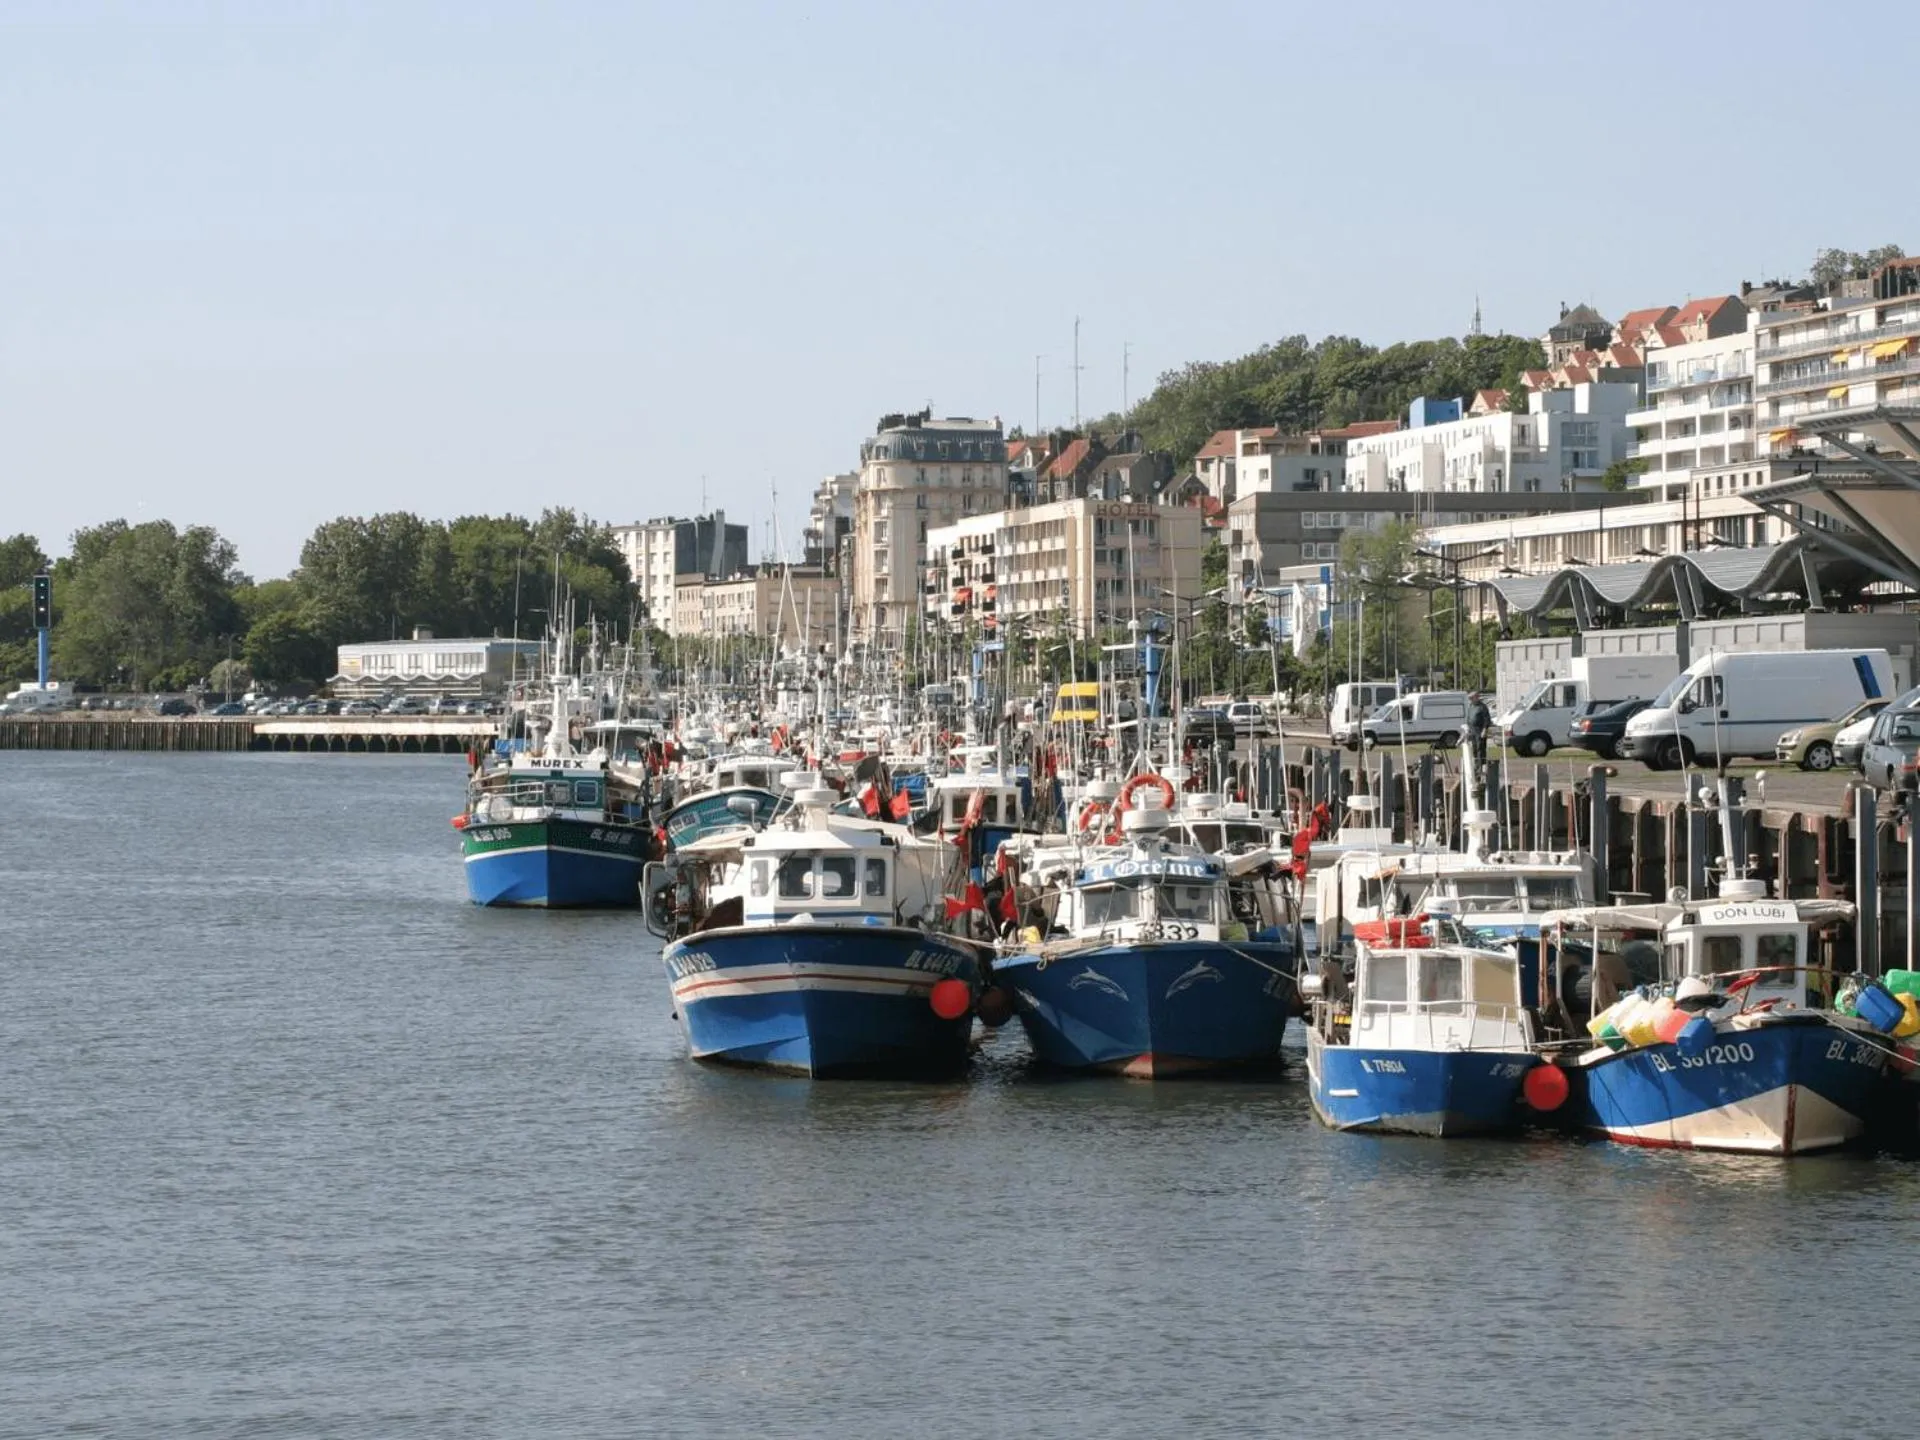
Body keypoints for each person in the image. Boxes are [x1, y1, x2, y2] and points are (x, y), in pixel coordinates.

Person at [1466, 691, 1491, 768]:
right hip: (1472, 730)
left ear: (1476, 697)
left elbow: (1487, 719)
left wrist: (1484, 729)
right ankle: (1476, 765)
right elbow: (1469, 718)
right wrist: (1468, 728)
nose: (1470, 700)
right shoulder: (1471, 706)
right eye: (1469, 698)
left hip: (1480, 730)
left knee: (1480, 748)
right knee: (1474, 749)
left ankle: (1481, 766)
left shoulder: (1482, 707)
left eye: (1471, 698)